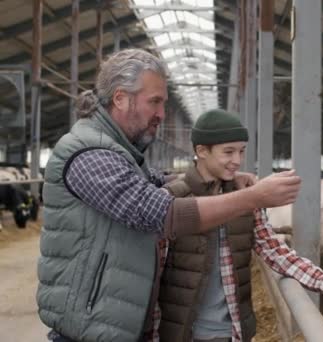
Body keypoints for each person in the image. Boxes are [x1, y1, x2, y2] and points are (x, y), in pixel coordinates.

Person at [36, 49, 301, 342]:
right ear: (121, 98)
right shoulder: (89, 153)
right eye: (155, 102)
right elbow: (161, 213)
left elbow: (157, 181)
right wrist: (255, 197)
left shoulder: (122, 152)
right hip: (88, 329)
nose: (162, 113)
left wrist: (218, 176)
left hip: (115, 325)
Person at [156, 109, 323, 342]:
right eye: (228, 152)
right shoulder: (171, 202)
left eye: (241, 151)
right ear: (201, 151)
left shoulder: (247, 198)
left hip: (235, 333)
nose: (238, 161)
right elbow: (152, 275)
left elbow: (274, 250)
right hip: (184, 334)